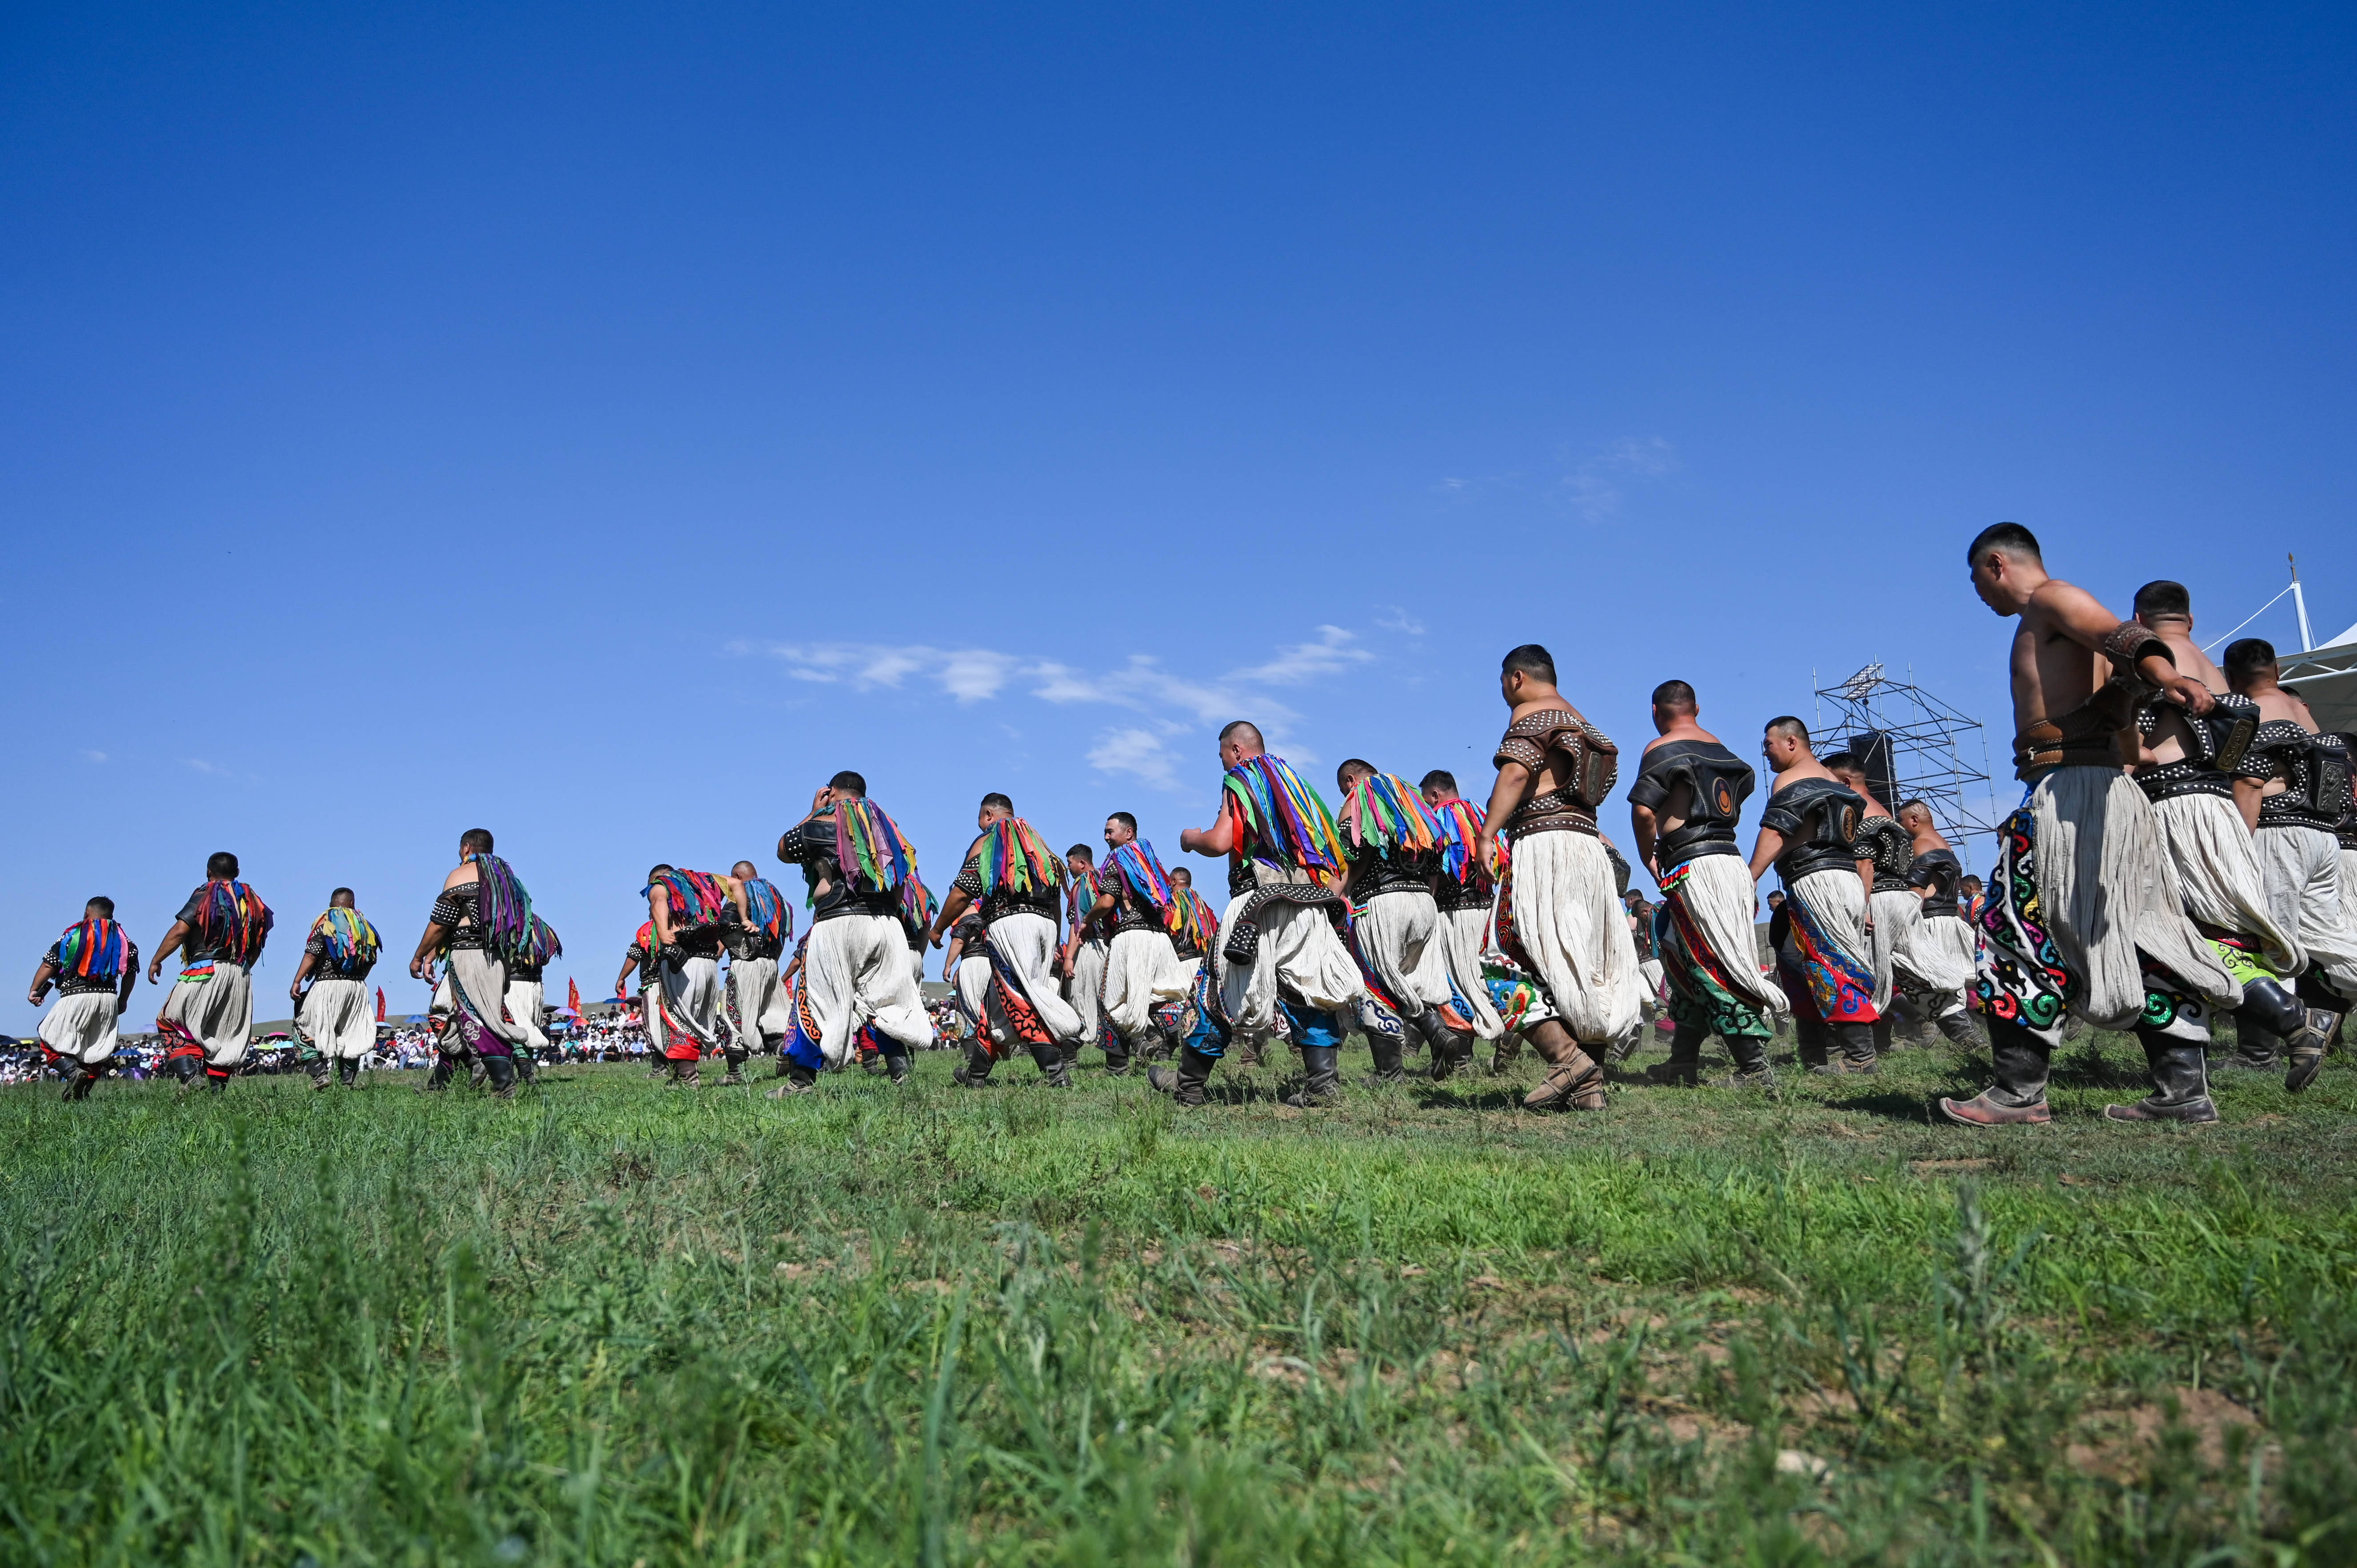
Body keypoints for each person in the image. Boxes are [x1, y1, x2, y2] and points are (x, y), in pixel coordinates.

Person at [1939, 523, 2241, 1126]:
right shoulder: (2049, 623)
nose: (1979, 595)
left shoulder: (2050, 599)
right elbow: (2118, 702)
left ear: (1996, 564)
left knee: (2010, 927)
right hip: (2094, 787)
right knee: (2135, 933)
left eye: (1977, 581)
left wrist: (2169, 676)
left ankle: (2018, 1093)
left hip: (2074, 792)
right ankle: (2183, 1090)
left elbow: (2120, 634)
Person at [2124, 586, 2330, 1079]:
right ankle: (2275, 1030)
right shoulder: (2215, 674)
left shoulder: (2152, 665)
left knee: (2170, 932)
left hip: (2176, 808)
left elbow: (2134, 748)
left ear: (2137, 618)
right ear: (2191, 618)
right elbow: (2249, 765)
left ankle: (2291, 1018)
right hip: (2220, 807)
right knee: (2226, 932)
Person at [1163, 721, 1364, 1108]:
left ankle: (1188, 1085)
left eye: (1222, 753)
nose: (1222, 762)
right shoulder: (1292, 783)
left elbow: (1221, 840)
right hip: (1303, 902)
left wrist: (1191, 839)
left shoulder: (1242, 777)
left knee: (1216, 991)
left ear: (1236, 750)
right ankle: (1322, 1085)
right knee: (1305, 990)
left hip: (1255, 904)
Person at [1476, 646, 1641, 1111]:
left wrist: (1488, 833)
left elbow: (1515, 773)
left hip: (1544, 844)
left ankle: (1566, 1058)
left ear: (1516, 678)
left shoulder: (1532, 711)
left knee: (1500, 951)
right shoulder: (1584, 723)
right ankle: (1589, 1087)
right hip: (1587, 845)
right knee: (1583, 963)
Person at [1626, 680, 1786, 1087]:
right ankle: (1682, 1060)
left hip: (1693, 864)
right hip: (1728, 862)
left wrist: (1648, 855)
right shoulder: (1723, 752)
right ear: (1696, 708)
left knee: (1711, 962)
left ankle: (1755, 1070)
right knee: (1683, 963)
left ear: (1654, 710)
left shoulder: (1660, 748)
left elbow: (1645, 811)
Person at [2226, 639, 2357, 1043]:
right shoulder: (2302, 712)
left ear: (2231, 678)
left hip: (2277, 833)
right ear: (2278, 670)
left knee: (2268, 941)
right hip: (2323, 838)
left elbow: (2249, 780)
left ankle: (2262, 1049)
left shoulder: (2246, 713)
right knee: (2328, 938)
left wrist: (2236, 842)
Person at [771, 772, 933, 1095]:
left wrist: (813, 810)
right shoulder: (887, 828)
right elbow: (901, 879)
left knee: (816, 1000)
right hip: (886, 925)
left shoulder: (824, 822)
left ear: (832, 792)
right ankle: (900, 1073)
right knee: (887, 1001)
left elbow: (783, 850)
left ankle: (801, 1081)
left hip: (837, 924)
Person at [1750, 718, 1878, 1074]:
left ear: (1791, 742)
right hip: (1843, 879)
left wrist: (1750, 877)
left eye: (1769, 744)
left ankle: (1859, 1057)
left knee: (1831, 963)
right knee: (1797, 962)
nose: (1765, 752)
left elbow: (1776, 831)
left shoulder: (1790, 778)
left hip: (1816, 879)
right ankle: (1814, 1052)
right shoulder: (1833, 781)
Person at [928, 793, 1080, 1087]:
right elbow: (1057, 896)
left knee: (1018, 999)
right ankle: (976, 1074)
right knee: (998, 1003)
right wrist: (1055, 938)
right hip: (1044, 925)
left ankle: (1056, 1073)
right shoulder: (1039, 844)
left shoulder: (990, 841)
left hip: (1010, 925)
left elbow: (962, 891)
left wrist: (938, 929)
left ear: (988, 814)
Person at [1337, 759, 1474, 1082]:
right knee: (1408, 981)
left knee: (1373, 984)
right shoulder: (1412, 801)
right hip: (1423, 902)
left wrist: (1332, 900)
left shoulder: (1361, 798)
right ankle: (1438, 1032)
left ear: (1350, 780)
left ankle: (1390, 1071)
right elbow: (1437, 860)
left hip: (1382, 902)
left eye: (1344, 789)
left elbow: (1348, 860)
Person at [408, 828, 537, 1099]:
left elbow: (441, 922)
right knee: (460, 1021)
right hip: (498, 958)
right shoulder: (507, 879)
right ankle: (438, 1087)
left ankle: (504, 1086)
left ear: (467, 848)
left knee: (476, 1019)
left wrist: (420, 955)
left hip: (468, 956)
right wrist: (434, 955)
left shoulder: (461, 874)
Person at [150, 852, 273, 1090]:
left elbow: (180, 930)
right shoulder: (252, 901)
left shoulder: (206, 893)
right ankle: (215, 1095)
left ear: (209, 872)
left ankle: (190, 1077)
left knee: (170, 1020)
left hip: (205, 969)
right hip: (240, 973)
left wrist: (158, 959)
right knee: (227, 1034)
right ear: (237, 873)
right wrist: (243, 969)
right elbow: (259, 940)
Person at [1824, 747, 1918, 1054]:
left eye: (1831, 782)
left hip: (1877, 899)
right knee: (1906, 971)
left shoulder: (1860, 811)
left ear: (1846, 782)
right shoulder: (1885, 811)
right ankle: (1887, 1038)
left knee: (1870, 975)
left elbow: (1865, 864)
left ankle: (1859, 1049)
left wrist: (1862, 907)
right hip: (1901, 898)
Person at [1086, 812, 1187, 1078]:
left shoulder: (1116, 860)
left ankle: (1117, 1066)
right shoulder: (1150, 860)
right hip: (1159, 938)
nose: (1106, 837)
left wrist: (1087, 919)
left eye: (1111, 831)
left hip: (1130, 937)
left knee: (1109, 1001)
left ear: (1128, 833)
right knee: (1159, 994)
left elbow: (1108, 902)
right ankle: (1175, 1034)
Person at [1419, 771, 1509, 1061]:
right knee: (1487, 976)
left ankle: (1461, 1053)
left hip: (1452, 914)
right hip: (1487, 910)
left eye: (1426, 800)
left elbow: (1434, 869)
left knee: (1454, 981)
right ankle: (1510, 1027)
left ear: (1435, 795)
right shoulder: (1484, 816)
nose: (1427, 806)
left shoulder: (1437, 822)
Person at [1890, 802, 1984, 1047]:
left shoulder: (1920, 844)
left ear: (1913, 820)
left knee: (1917, 978)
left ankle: (1959, 1036)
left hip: (1932, 923)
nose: (1900, 825)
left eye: (1901, 820)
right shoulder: (1945, 844)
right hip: (1950, 920)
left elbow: (1916, 894)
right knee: (1955, 984)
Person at [28, 896, 139, 1100]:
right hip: (108, 998)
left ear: (87, 912)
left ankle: (71, 1072)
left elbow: (49, 964)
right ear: (111, 915)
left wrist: (35, 990)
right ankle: (81, 1093)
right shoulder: (124, 940)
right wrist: (123, 1000)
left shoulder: (73, 935)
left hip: (76, 995)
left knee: (48, 1038)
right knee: (95, 1047)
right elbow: (131, 971)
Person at [643, 865, 733, 1086]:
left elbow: (659, 901)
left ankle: (688, 1078)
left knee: (677, 1020)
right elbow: (736, 884)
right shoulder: (701, 890)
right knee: (696, 1020)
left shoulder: (662, 887)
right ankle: (685, 1073)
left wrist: (663, 931)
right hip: (709, 965)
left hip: (683, 964)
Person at [289, 888, 380, 1089]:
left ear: (332, 904)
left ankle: (320, 1075)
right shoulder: (365, 928)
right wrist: (359, 979)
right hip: (357, 988)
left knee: (304, 1025)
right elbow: (372, 959)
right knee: (352, 1034)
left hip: (327, 986)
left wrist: (298, 980)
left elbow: (312, 954)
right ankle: (347, 1083)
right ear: (353, 903)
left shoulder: (326, 924)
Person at [720, 859, 794, 1081]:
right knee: (771, 1015)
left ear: (737, 877)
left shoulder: (740, 894)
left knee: (733, 1017)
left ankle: (736, 1073)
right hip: (771, 964)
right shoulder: (774, 896)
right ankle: (782, 1050)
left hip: (746, 965)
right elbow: (783, 932)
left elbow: (726, 925)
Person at [1059, 845, 1110, 1053]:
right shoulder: (1103, 879)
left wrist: (1069, 957)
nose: (1069, 869)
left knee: (1080, 1000)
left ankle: (1071, 1051)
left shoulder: (1082, 884)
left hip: (1088, 948)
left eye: (1070, 864)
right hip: (1106, 947)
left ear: (1082, 864)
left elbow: (1075, 924)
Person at [505, 913, 560, 1082]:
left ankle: (525, 1075)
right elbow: (547, 958)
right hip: (535, 987)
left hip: (514, 986)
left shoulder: (508, 925)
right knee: (527, 1030)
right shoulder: (541, 927)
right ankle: (526, 1075)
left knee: (514, 1030)